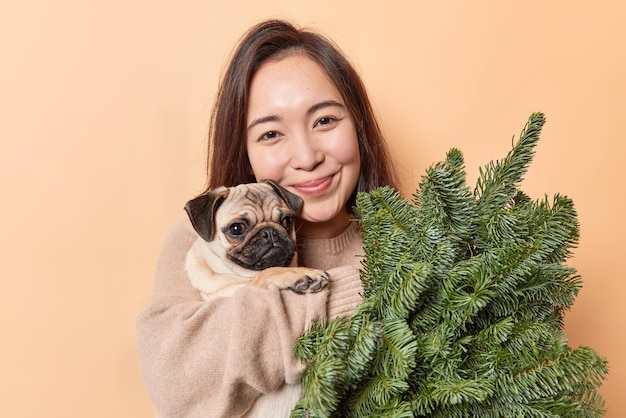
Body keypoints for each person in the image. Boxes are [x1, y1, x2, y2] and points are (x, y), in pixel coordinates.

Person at [136, 19, 398, 417]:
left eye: (325, 120)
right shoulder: (200, 244)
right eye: (271, 134)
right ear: (245, 150)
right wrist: (358, 293)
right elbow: (177, 382)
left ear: (358, 124)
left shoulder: (414, 235)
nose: (308, 156)